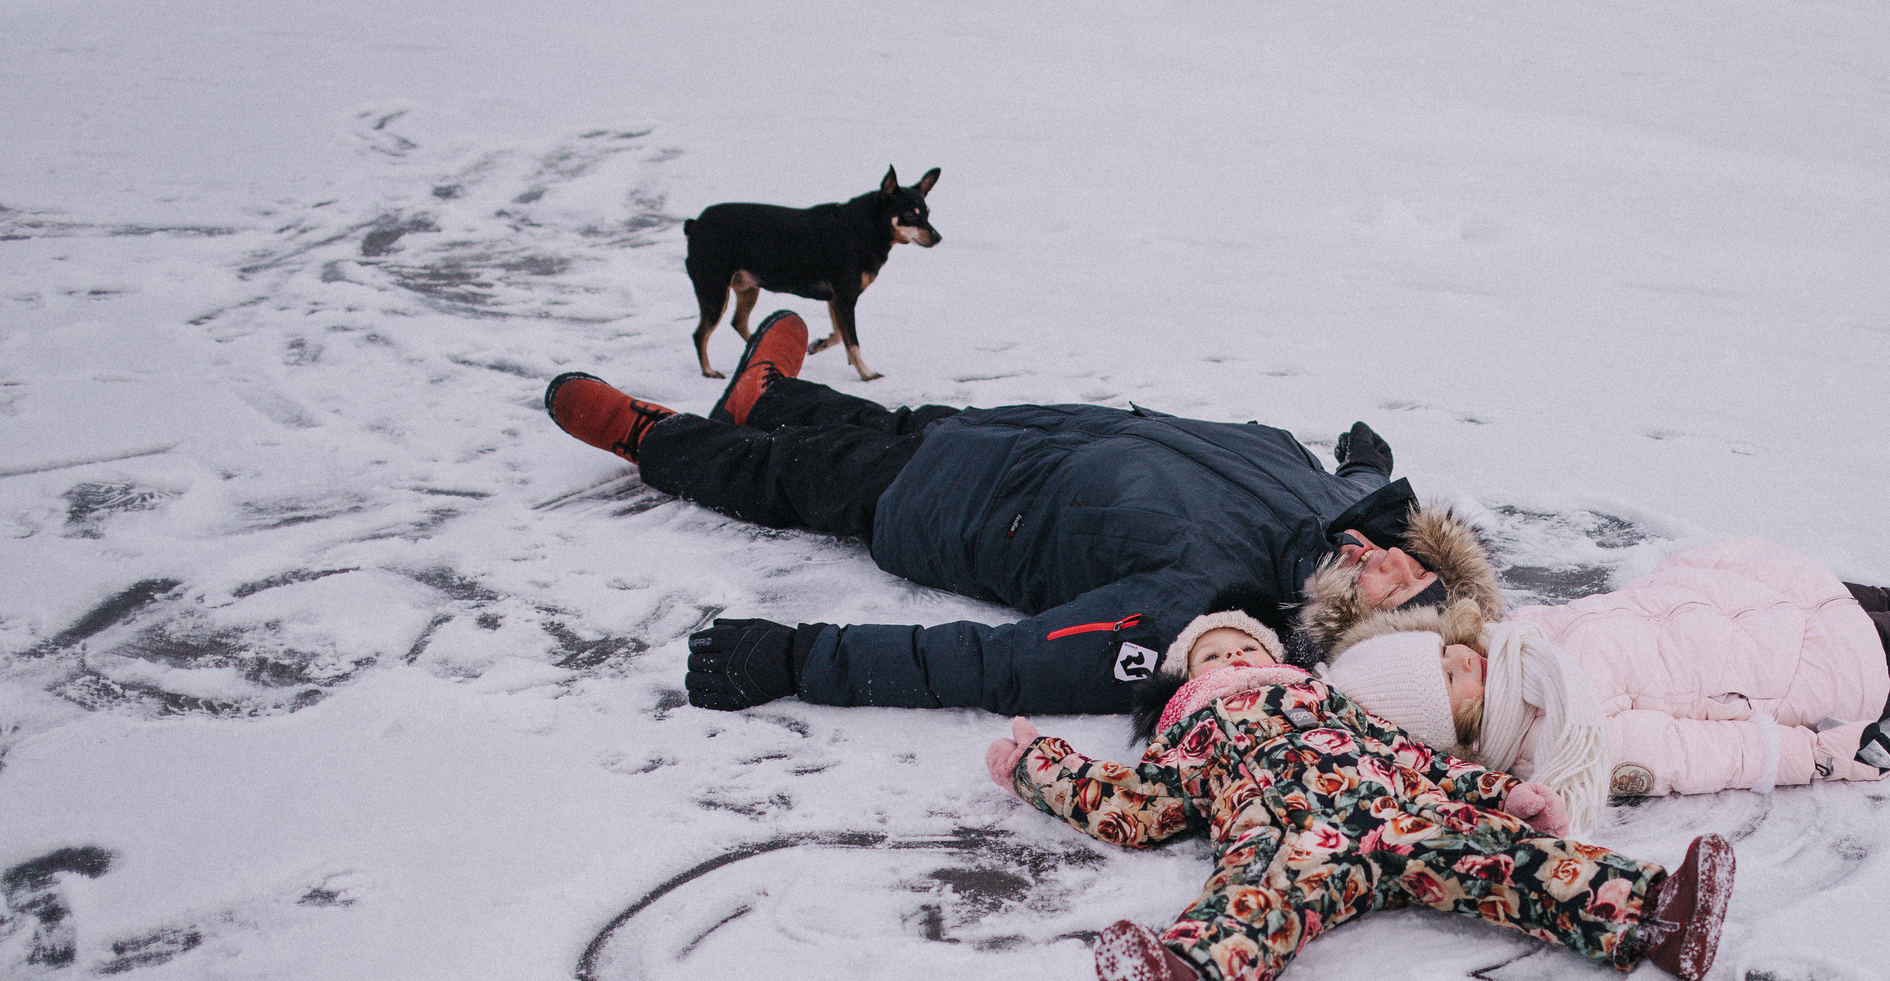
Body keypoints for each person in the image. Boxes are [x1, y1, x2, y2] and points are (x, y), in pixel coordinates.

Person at [540, 310, 1504, 717]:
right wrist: (1362, 464)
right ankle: (766, 395)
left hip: (943, 508)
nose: (1391, 562)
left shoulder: (1217, 614)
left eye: (1398, 587)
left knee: (794, 476)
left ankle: (651, 437)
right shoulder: (1353, 511)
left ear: (1357, 625)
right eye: (1414, 562)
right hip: (1017, 432)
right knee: (891, 421)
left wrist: (798, 658)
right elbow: (1375, 496)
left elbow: (1006, 664)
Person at [978, 609, 1737, 981]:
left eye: (1246, 647)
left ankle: (1660, 913)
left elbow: (1419, 759)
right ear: (1184, 682)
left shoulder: (1335, 705)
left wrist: (1502, 791)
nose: (1234, 658)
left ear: (1278, 659)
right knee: (1253, 902)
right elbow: (1135, 803)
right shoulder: (1192, 735)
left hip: (1402, 813)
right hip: (1282, 831)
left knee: (1503, 858)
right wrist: (1040, 765)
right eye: (1213, 655)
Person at [1316, 526, 1890, 830]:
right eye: (1450, 681)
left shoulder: (1514, 640)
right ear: (1459, 735)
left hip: (1737, 602)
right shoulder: (1566, 738)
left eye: (1443, 650)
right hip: (1780, 674)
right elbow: (1712, 755)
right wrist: (1817, 756)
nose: (1463, 657)